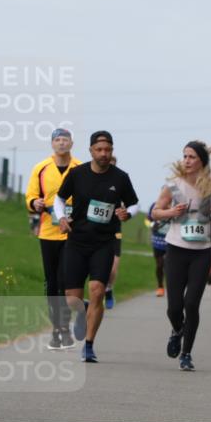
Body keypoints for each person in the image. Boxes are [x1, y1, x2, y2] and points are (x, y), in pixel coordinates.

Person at [55, 131, 139, 363]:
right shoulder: (77, 174)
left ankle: (89, 345)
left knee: (98, 291)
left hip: (103, 242)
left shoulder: (120, 178)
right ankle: (83, 311)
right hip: (77, 242)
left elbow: (134, 204)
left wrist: (127, 213)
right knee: (72, 298)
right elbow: (59, 199)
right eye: (99, 149)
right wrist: (62, 217)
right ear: (91, 150)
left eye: (108, 150)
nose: (104, 154)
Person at [150, 141, 211, 371]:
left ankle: (186, 354)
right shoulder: (172, 186)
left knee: (191, 304)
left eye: (192, 157)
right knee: (174, 308)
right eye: (184, 156)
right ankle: (177, 330)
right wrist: (170, 212)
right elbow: (155, 212)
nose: (186, 160)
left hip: (201, 253)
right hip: (175, 249)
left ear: (202, 161)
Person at [25, 128, 81, 350]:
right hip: (48, 231)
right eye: (57, 140)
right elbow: (30, 196)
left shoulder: (80, 168)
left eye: (65, 139)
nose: (61, 143)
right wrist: (34, 203)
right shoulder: (41, 168)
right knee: (52, 283)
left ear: (71, 143)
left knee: (66, 282)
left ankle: (65, 327)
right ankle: (56, 329)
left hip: (73, 233)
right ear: (52, 144)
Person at [105, 156, 122, 309]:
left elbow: (130, 204)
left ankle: (108, 289)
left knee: (113, 266)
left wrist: (123, 210)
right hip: (95, 230)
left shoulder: (120, 181)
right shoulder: (91, 179)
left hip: (115, 230)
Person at [146, 204, 170, 296]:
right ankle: (160, 287)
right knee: (160, 264)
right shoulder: (155, 205)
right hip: (158, 240)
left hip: (172, 241)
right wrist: (152, 225)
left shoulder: (176, 204)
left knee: (169, 265)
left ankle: (172, 287)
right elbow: (147, 220)